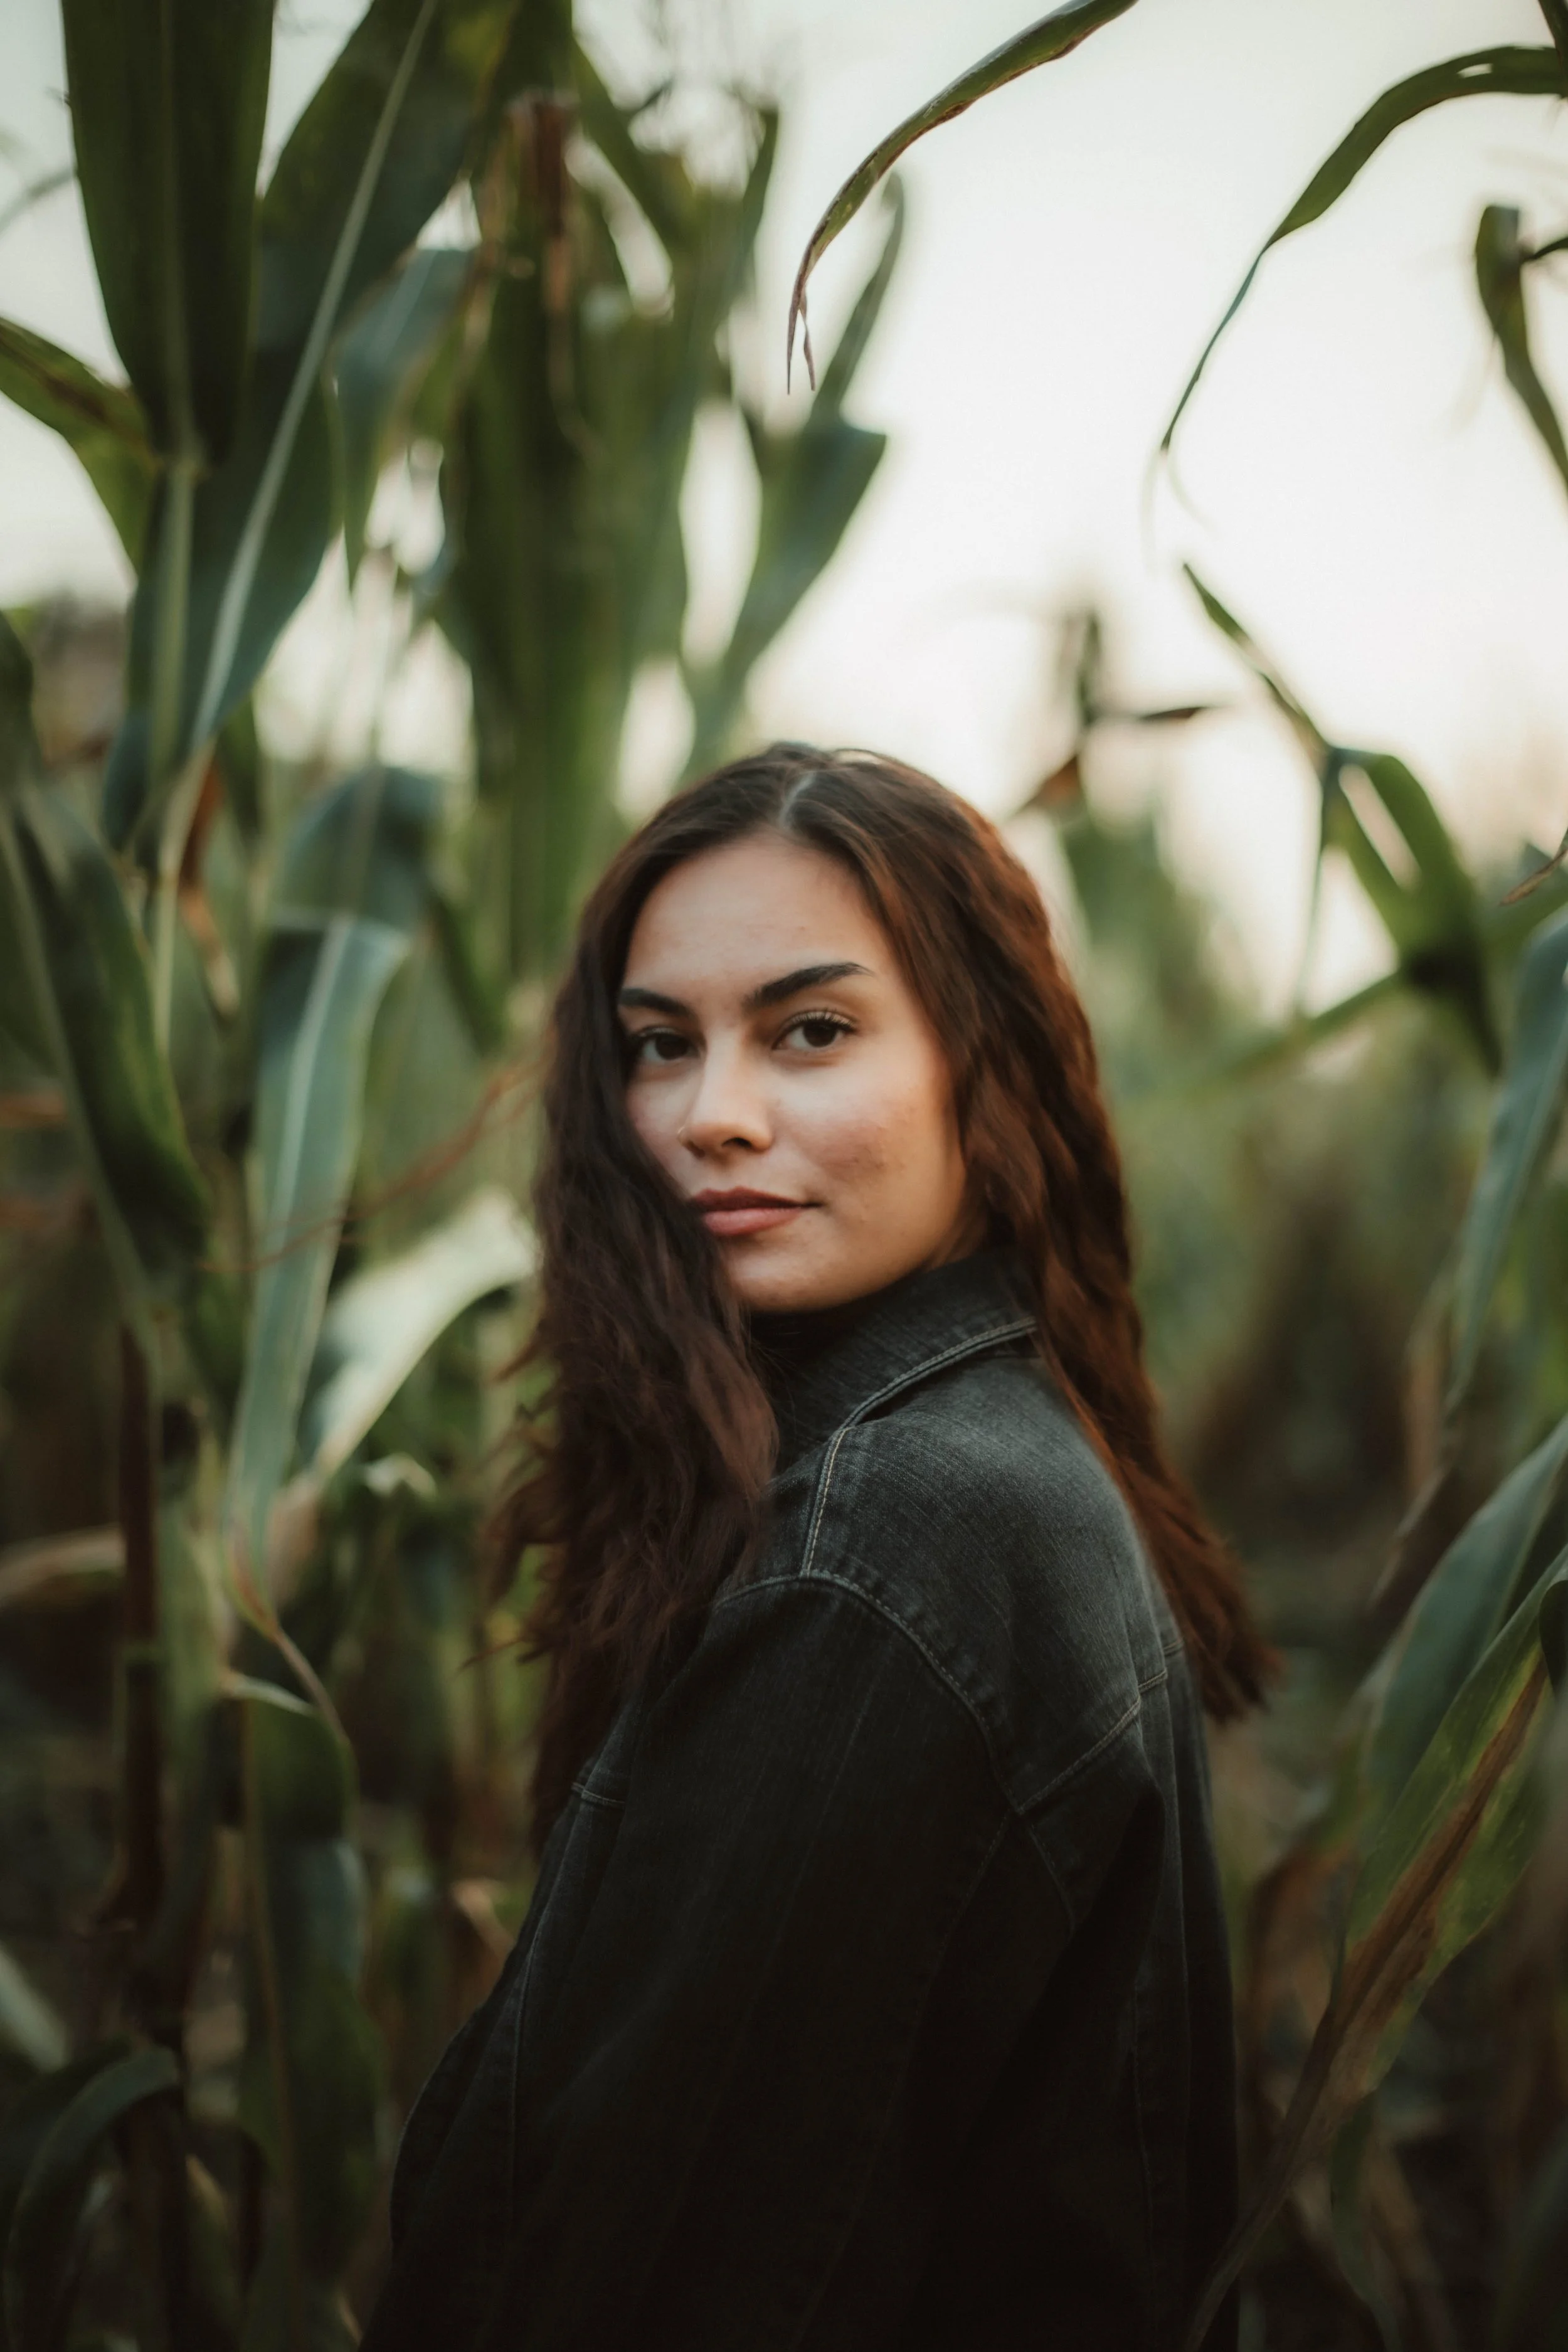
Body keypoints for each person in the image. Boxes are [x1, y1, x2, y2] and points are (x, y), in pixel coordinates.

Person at [361, 744, 1271, 2352]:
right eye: (658, 1048)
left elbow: (636, 2287)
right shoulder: (975, 1461)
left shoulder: (884, 1554)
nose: (712, 1116)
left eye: (811, 1032)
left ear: (976, 1076)